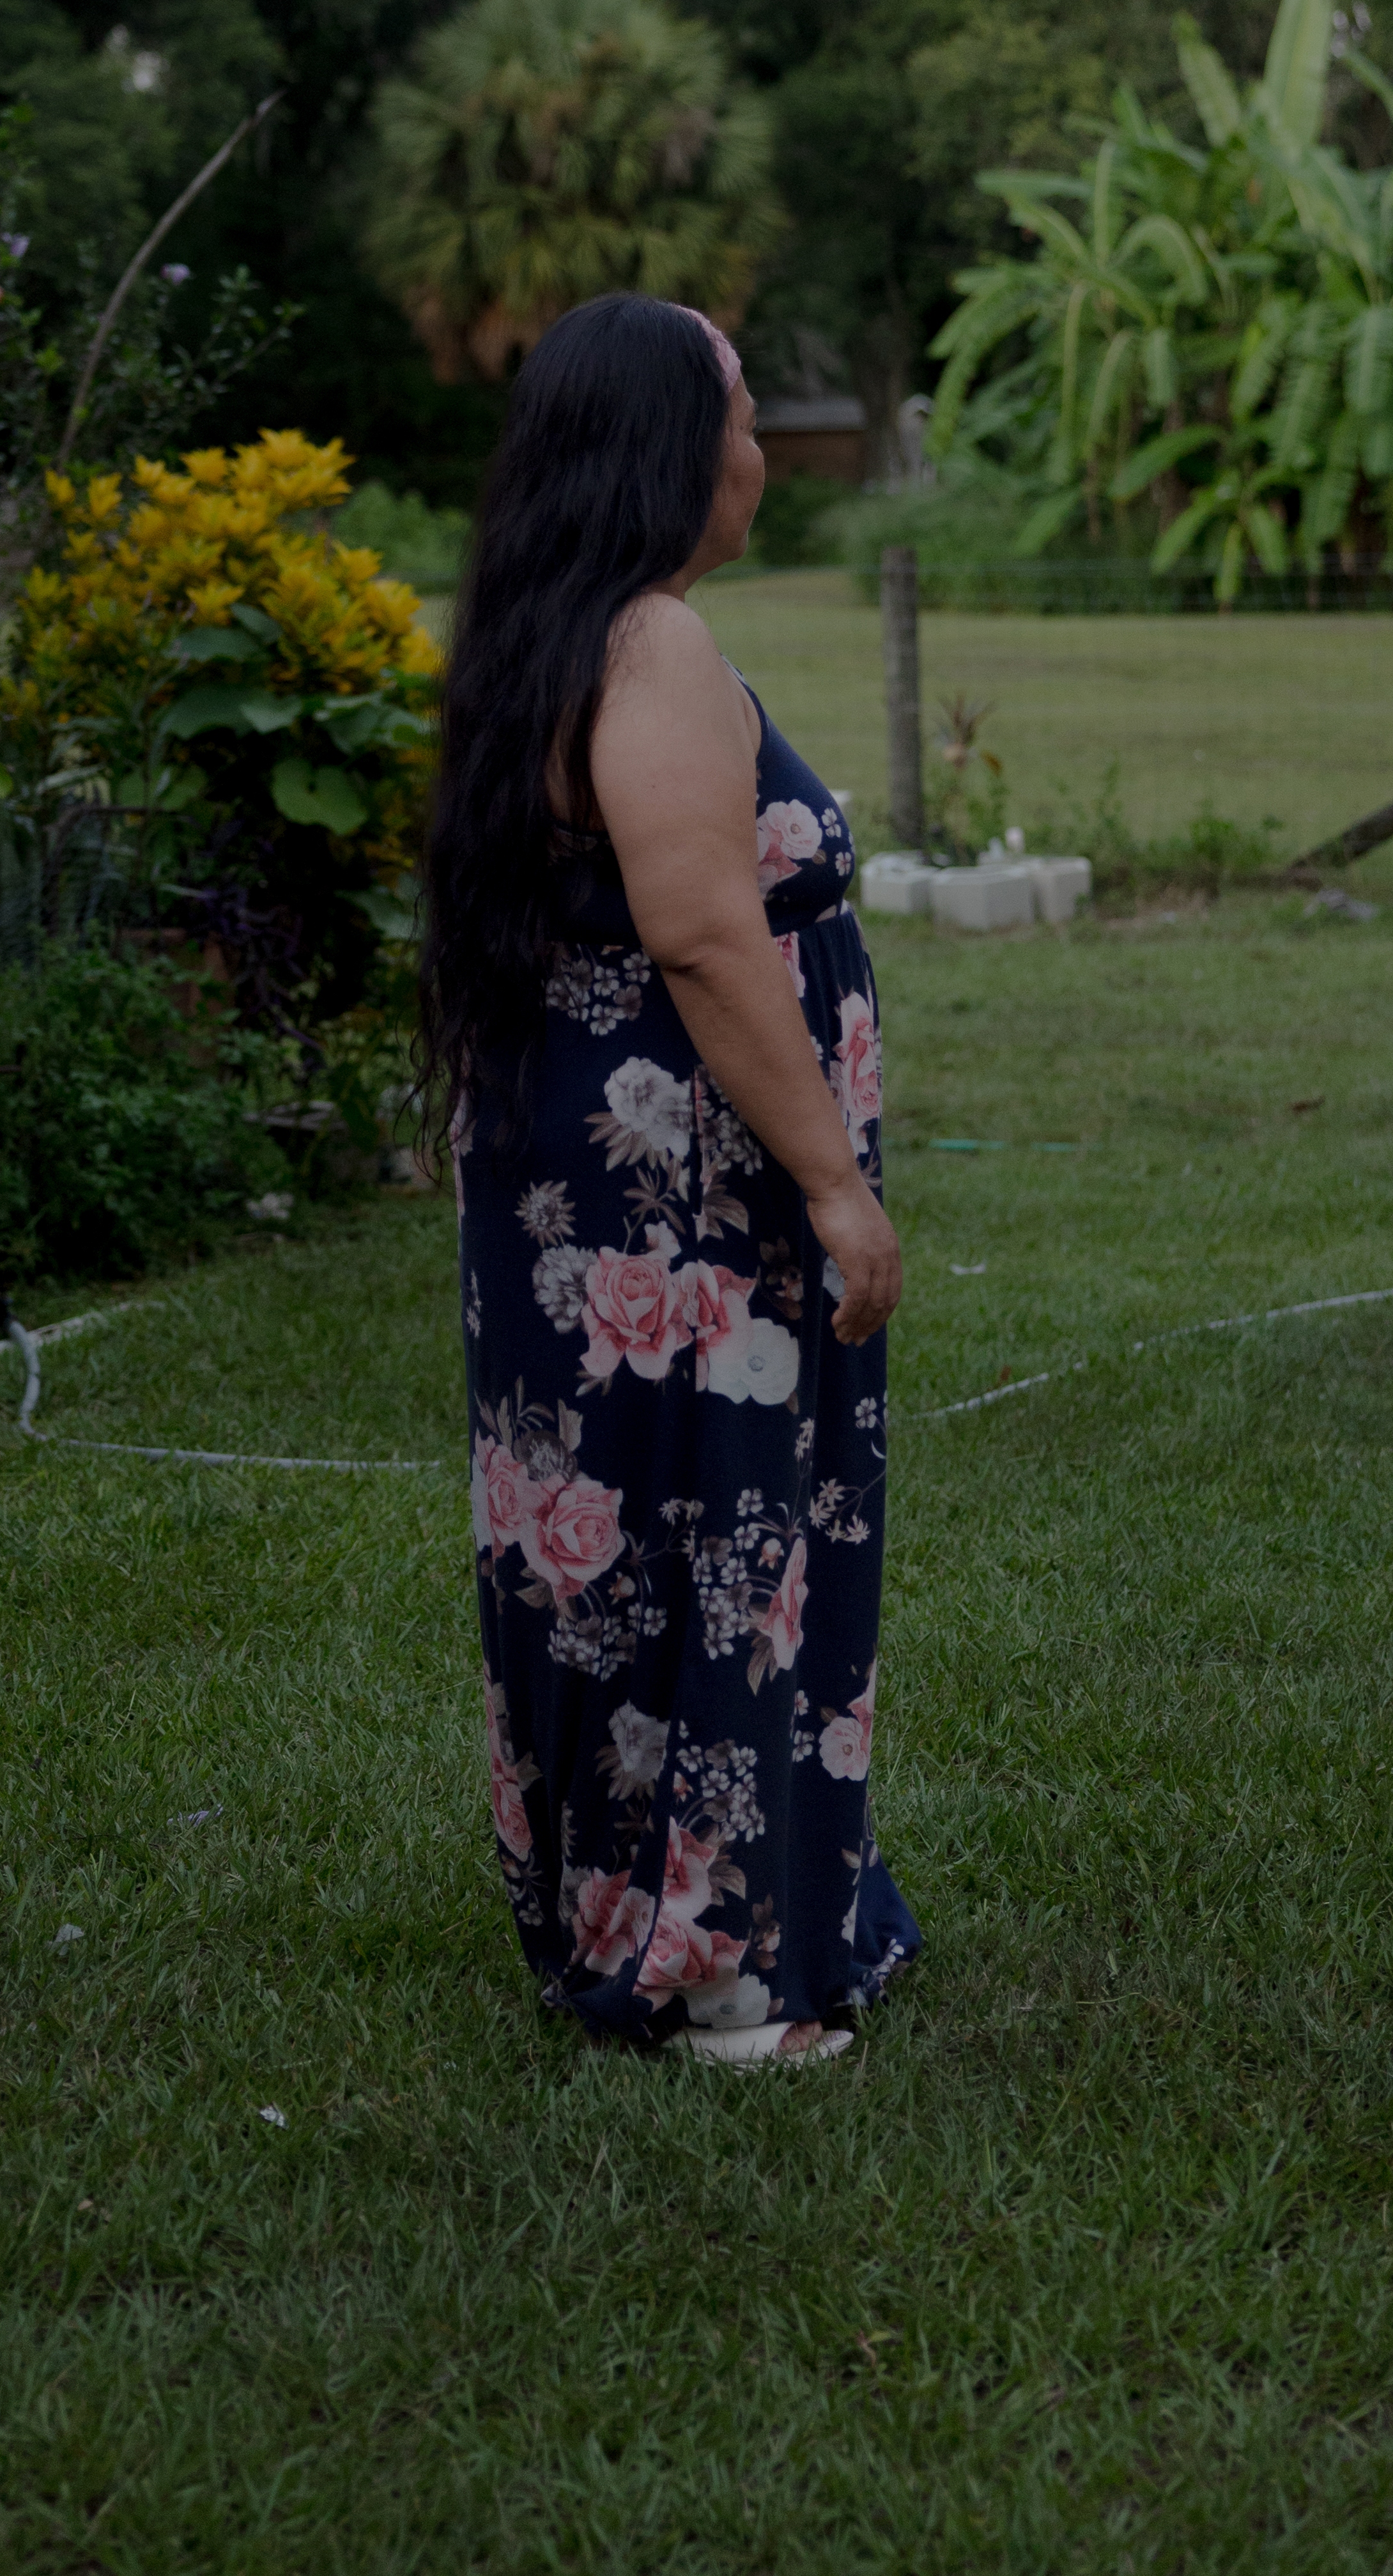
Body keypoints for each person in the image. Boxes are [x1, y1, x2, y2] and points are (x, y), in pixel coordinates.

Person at [420, 292, 920, 2062]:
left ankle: (646, 1912)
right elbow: (708, 939)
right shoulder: (656, 651)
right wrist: (839, 1190)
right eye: (739, 418)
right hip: (682, 1206)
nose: (763, 454)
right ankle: (713, 1973)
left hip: (596, 1185)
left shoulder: (547, 634)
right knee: (712, 1542)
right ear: (670, 451)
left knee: (613, 1552)